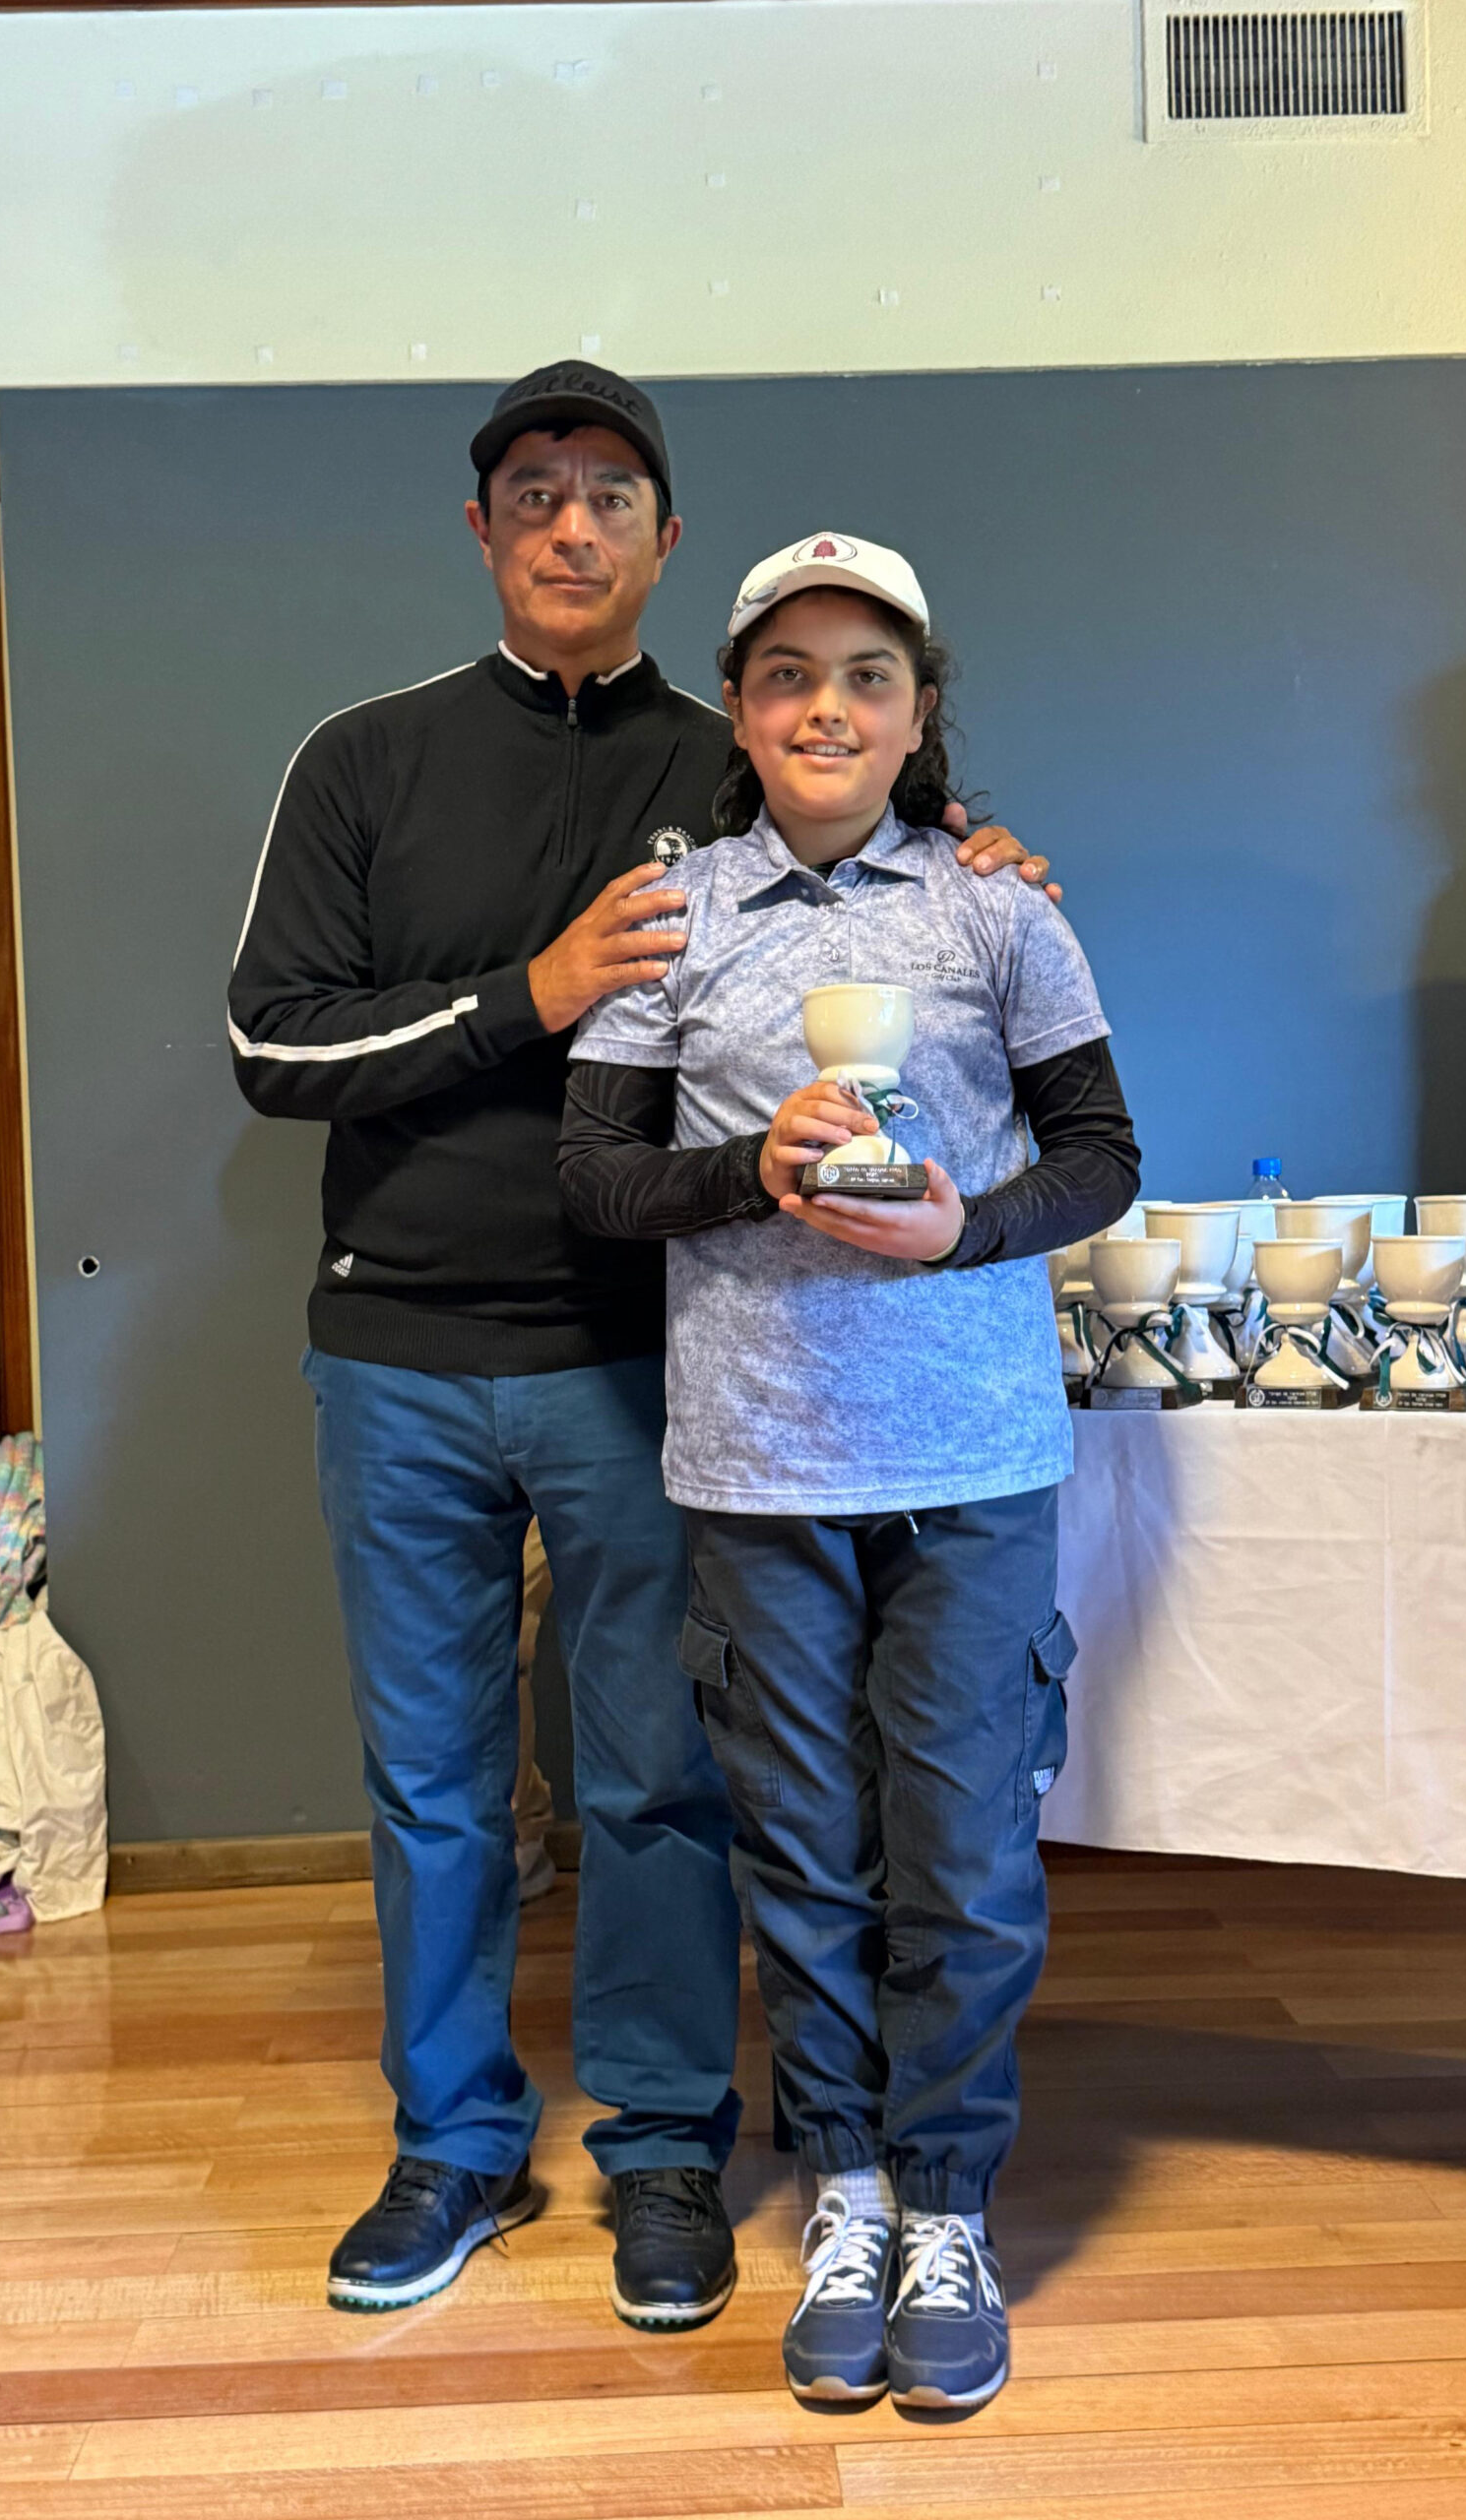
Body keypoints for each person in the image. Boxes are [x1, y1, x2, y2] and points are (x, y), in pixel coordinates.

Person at [227, 363, 1054, 2326]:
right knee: (435, 1784)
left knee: (659, 1781)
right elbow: (269, 1043)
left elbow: (900, 880)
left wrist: (990, 859)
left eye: (609, 492)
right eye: (532, 489)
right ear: (482, 528)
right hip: (398, 1348)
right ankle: (451, 2143)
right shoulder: (363, 759)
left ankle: (668, 2146)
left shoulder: (739, 756)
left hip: (648, 1360)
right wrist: (525, 992)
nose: (570, 522)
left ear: (664, 540)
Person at [556, 536, 1140, 2411]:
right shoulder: (670, 915)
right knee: (801, 1857)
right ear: (736, 711)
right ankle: (848, 2191)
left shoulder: (996, 911)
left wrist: (965, 1227)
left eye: (866, 675)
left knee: (960, 1857)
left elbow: (1099, 1156)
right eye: (787, 674)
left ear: (915, 712)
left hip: (969, 1453)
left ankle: (948, 2202)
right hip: (755, 1462)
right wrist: (753, 1173)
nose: (826, 706)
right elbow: (596, 1181)